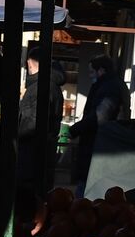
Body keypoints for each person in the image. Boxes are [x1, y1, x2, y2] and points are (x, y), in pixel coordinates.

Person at [69, 55, 128, 194]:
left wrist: (75, 129)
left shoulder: (109, 87)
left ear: (101, 70)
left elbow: (99, 116)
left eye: (91, 72)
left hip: (98, 145)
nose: (90, 76)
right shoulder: (113, 85)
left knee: (86, 188)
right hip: (101, 144)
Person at [17, 44, 64, 191]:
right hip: (43, 155)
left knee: (28, 202)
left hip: (30, 158)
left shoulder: (39, 88)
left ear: (30, 63)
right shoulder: (53, 87)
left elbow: (32, 124)